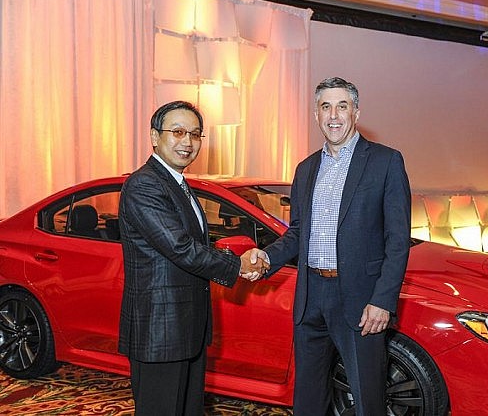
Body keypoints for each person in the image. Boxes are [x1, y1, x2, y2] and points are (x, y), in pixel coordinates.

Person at [246, 77, 411, 415]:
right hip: (311, 296)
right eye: (325, 107)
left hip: (361, 299)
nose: (333, 115)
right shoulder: (305, 169)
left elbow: (398, 240)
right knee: (308, 398)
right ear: (315, 115)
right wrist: (267, 257)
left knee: (368, 400)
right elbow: (297, 233)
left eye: (342, 106)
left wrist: (382, 300)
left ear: (356, 112)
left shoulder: (385, 161)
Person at [118, 100, 266, 416]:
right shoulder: (144, 184)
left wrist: (235, 256)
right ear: (155, 137)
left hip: (186, 328)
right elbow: (181, 247)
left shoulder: (179, 184)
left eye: (195, 134)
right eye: (178, 132)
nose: (188, 142)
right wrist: (237, 265)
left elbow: (192, 246)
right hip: (160, 330)